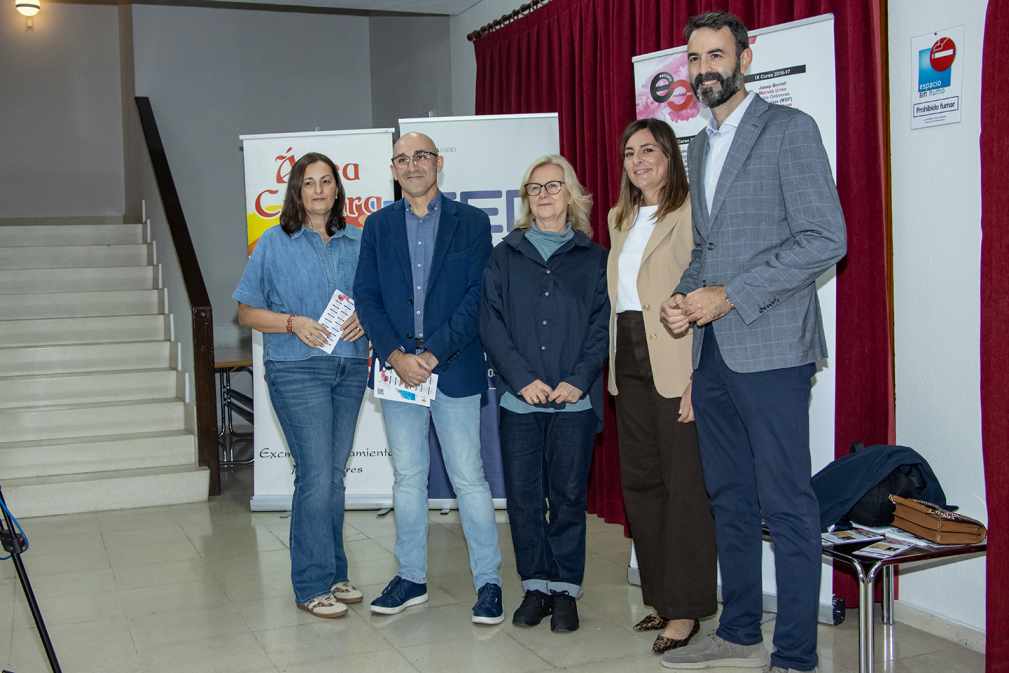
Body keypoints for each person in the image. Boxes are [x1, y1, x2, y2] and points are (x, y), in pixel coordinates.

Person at [658, 12, 847, 673]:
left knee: (787, 503)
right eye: (693, 57)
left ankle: (795, 653)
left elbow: (826, 238)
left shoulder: (788, 130)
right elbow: (709, 249)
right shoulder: (702, 144)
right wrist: (684, 295)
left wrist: (729, 295)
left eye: (715, 54)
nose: (703, 67)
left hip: (771, 349)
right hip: (713, 352)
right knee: (728, 498)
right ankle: (737, 630)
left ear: (744, 55)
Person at [353, 132, 504, 625]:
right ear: (393, 169)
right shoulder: (376, 226)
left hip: (453, 367)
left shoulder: (472, 223)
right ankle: (411, 577)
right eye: (402, 159)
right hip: (398, 372)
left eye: (421, 156)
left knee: (469, 479)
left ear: (438, 162)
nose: (412, 165)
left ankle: (489, 582)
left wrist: (434, 353)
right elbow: (366, 296)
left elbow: (476, 297)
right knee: (409, 478)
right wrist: (397, 355)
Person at [233, 152, 369, 619]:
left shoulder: (359, 241)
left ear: (337, 188)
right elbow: (246, 312)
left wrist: (364, 319)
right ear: (296, 191)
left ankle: (334, 572)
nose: (317, 190)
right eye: (308, 182)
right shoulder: (273, 243)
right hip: (296, 370)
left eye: (326, 181)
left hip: (350, 368)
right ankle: (311, 583)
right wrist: (292, 322)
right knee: (315, 475)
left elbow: (379, 297)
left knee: (331, 476)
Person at [480, 155, 609, 633]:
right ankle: (535, 585)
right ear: (525, 198)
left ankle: (566, 591)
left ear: (571, 195)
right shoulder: (504, 254)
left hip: (574, 400)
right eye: (534, 188)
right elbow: (490, 323)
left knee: (569, 496)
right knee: (524, 498)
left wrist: (578, 378)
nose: (544, 194)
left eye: (553, 186)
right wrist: (521, 378)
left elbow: (602, 327)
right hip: (521, 400)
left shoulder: (593, 258)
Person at [607, 118, 716, 654]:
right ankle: (660, 598)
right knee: (642, 484)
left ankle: (688, 608)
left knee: (683, 488)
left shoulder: (693, 211)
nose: (638, 160)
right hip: (627, 357)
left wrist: (700, 374)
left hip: (676, 357)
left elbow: (704, 292)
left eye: (649, 150)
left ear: (671, 157)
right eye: (630, 153)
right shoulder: (619, 218)